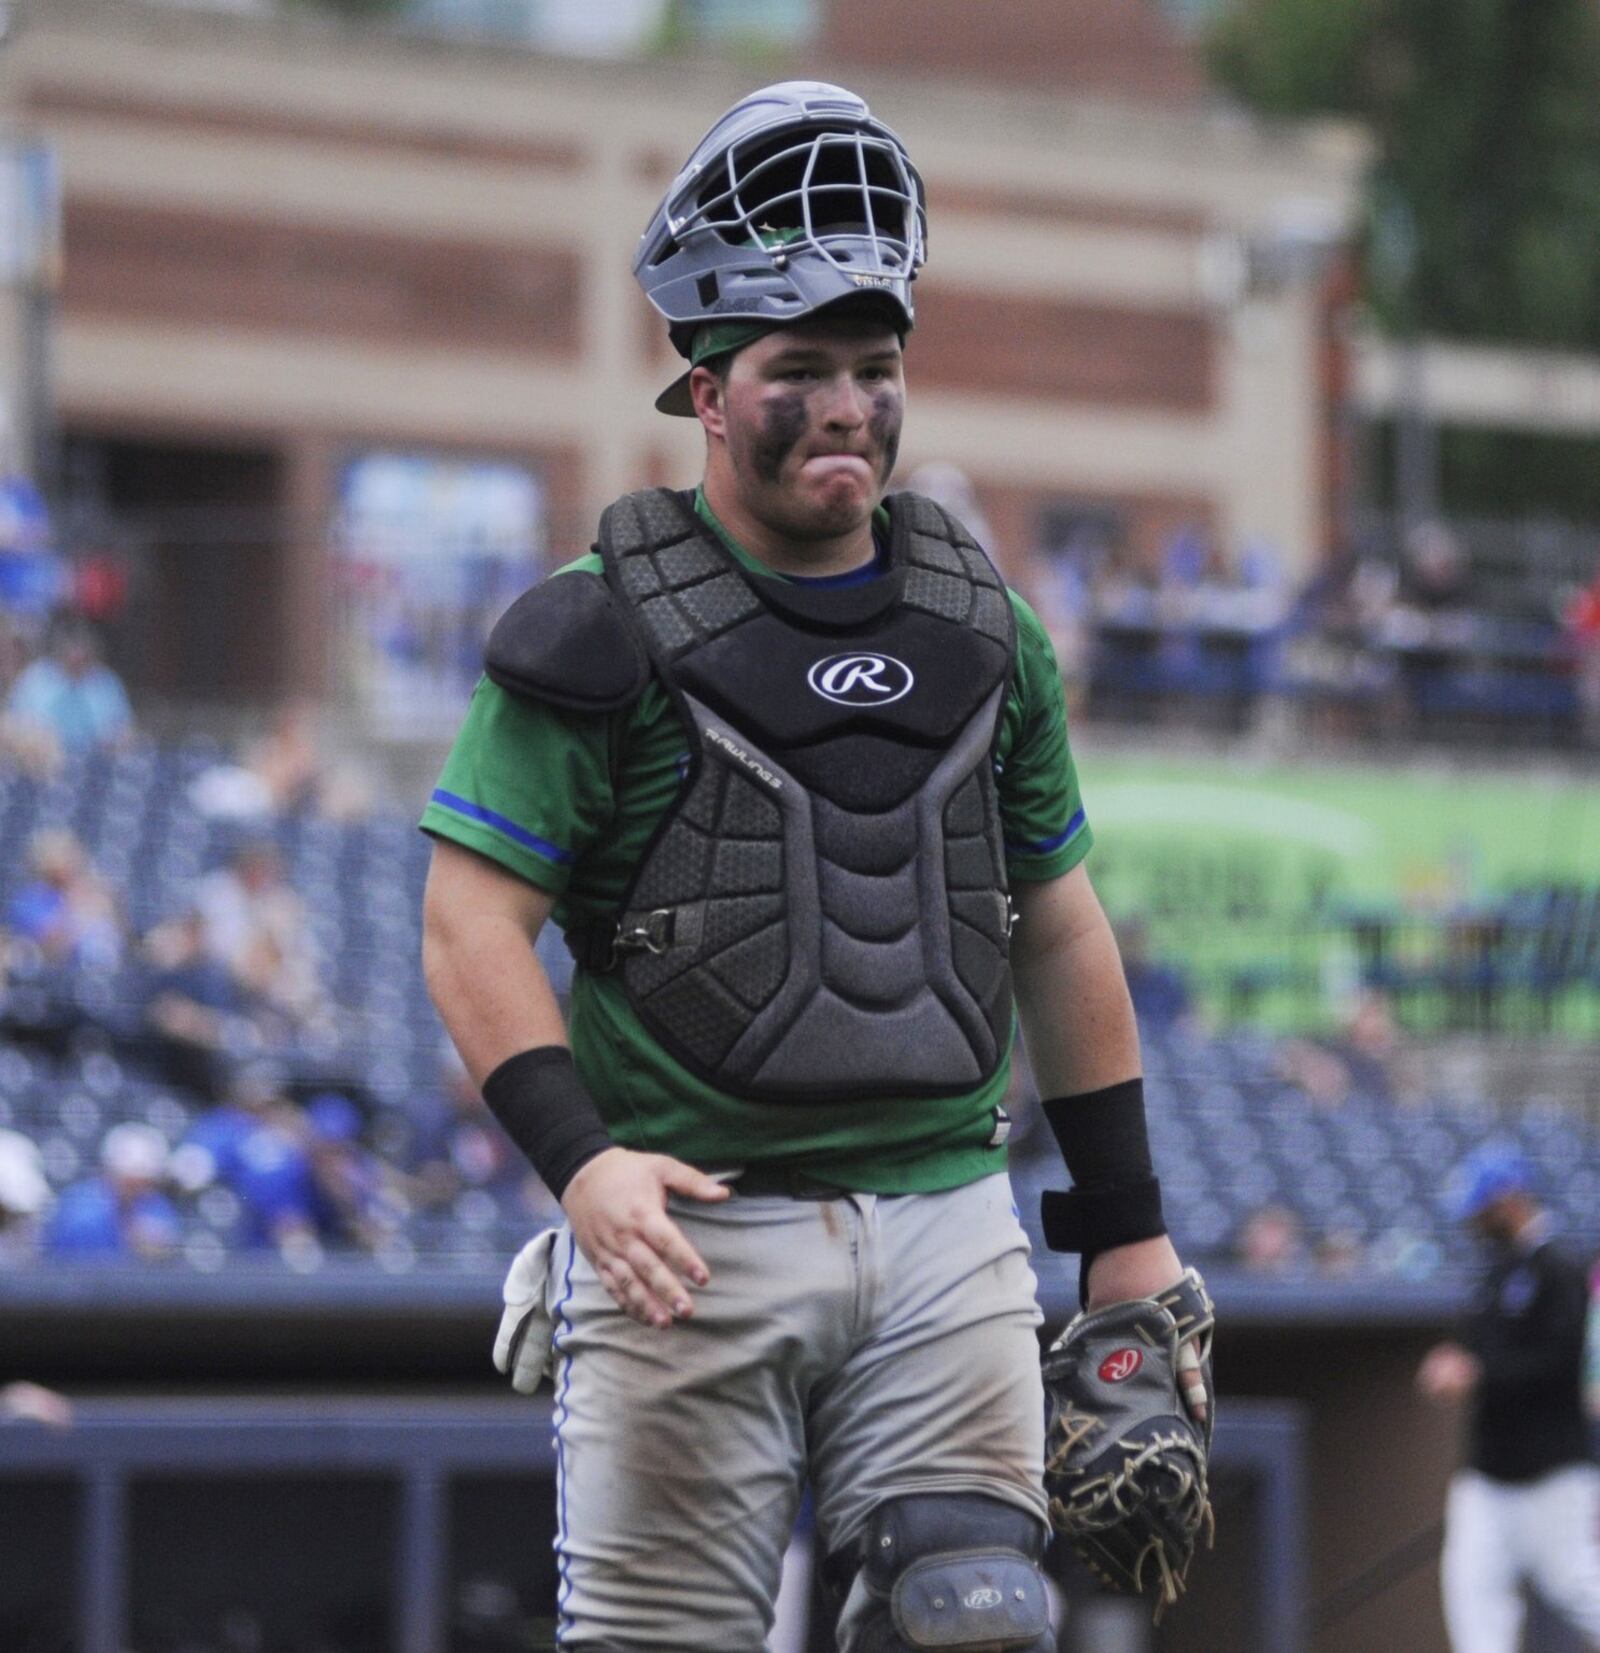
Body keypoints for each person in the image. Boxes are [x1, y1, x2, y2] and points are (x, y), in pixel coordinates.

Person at [421, 80, 1199, 1652]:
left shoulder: (987, 631)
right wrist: (581, 1162)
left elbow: (1057, 927)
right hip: (686, 1237)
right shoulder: (598, 625)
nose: (848, 404)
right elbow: (468, 920)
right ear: (707, 391)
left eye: (875, 367)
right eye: (800, 371)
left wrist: (1127, 1223)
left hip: (943, 1212)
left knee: (971, 1618)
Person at [1417, 1139, 1600, 1653]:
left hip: (1554, 1471)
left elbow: (1559, 1362)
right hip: (1489, 1475)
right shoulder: (1493, 1273)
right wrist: (1450, 1362)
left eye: (1483, 1209)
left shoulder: (1560, 1269)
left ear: (1511, 1200)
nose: (1474, 1222)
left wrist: (1478, 1374)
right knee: (1473, 1594)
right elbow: (1475, 1346)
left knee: (1579, 1586)